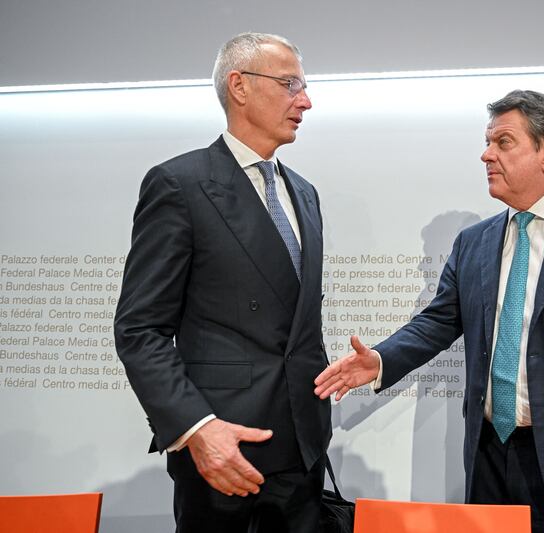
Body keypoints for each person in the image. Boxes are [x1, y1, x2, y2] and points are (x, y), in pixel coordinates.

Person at [315, 90, 544, 532]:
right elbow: (437, 322)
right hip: (490, 458)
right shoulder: (474, 243)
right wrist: (381, 360)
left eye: (503, 142)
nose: (486, 155)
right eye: (487, 142)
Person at [115, 32, 330, 533]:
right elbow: (140, 329)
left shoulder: (304, 193)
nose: (307, 100)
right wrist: (196, 429)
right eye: (290, 84)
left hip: (303, 450)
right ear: (239, 85)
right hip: (221, 452)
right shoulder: (179, 185)